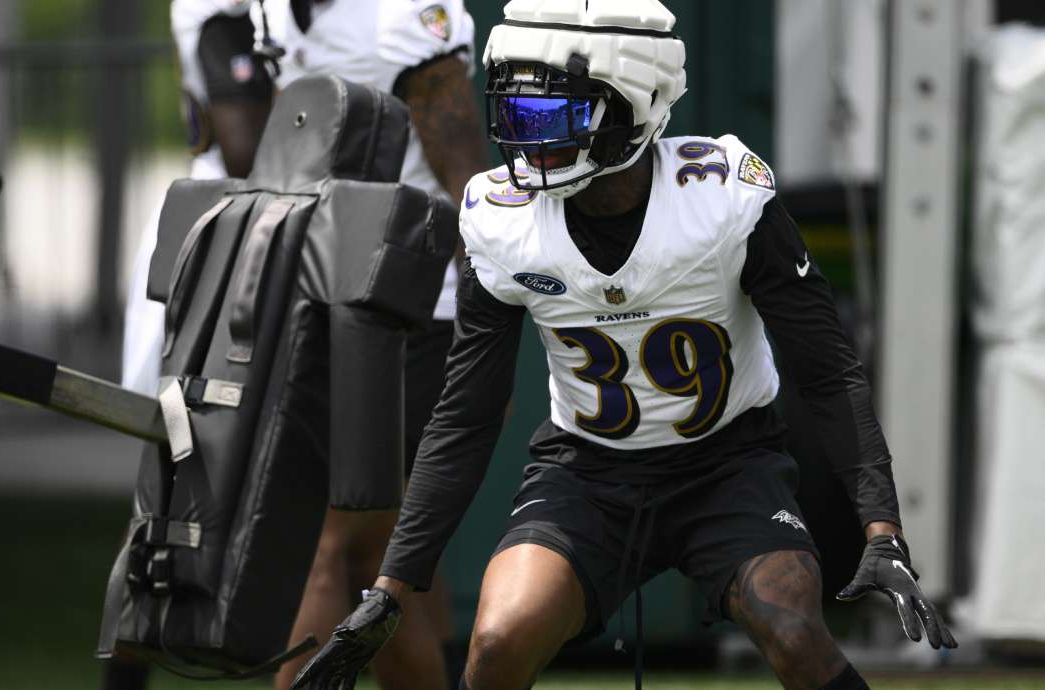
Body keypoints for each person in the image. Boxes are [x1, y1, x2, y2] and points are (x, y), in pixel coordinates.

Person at [290, 2, 959, 690]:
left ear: (631, 105)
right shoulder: (500, 220)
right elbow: (466, 416)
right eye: (516, 115)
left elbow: (827, 372)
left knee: (793, 630)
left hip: (728, 465)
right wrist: (392, 586)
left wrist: (883, 530)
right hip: (585, 474)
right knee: (496, 641)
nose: (526, 141)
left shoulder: (722, 196)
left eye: (551, 116)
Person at [116, 2, 487, 689]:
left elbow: (462, 160)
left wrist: (488, 291)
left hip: (401, 309)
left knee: (322, 544)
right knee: (380, 558)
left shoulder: (399, 13)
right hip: (315, 301)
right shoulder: (256, 13)